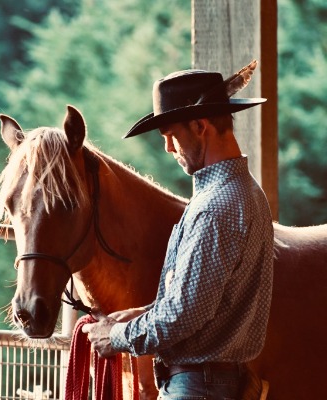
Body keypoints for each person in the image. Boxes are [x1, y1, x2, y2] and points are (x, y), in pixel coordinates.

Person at [82, 61, 274, 400]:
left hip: (197, 387)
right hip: (214, 383)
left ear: (200, 126)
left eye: (171, 136)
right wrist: (143, 314)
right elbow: (206, 302)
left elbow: (181, 318)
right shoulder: (246, 192)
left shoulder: (215, 207)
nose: (169, 149)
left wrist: (116, 336)